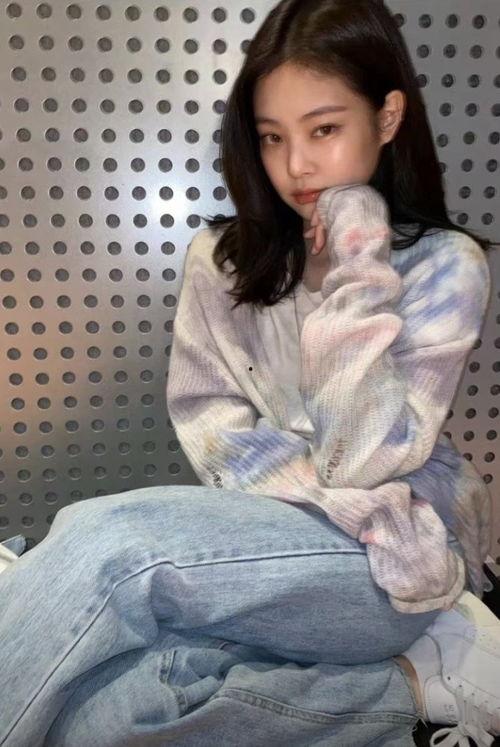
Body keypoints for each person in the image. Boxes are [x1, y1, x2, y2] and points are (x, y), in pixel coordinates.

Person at [1, 0, 499, 745]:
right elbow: (208, 419)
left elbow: (364, 458)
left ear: (388, 117)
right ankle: (408, 686)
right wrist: (306, 494)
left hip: (393, 557)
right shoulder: (224, 259)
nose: (296, 165)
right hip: (274, 535)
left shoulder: (443, 266)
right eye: (272, 137)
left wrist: (358, 256)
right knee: (110, 711)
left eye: (323, 129)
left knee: (110, 545)